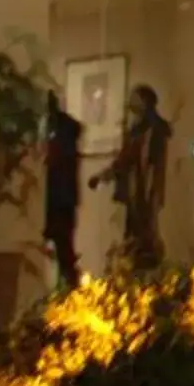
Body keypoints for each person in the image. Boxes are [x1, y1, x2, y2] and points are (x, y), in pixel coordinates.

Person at [92, 85, 174, 270]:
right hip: (135, 190)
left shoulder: (152, 131)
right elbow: (124, 160)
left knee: (145, 233)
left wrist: (151, 192)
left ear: (145, 102)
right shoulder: (137, 131)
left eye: (135, 98)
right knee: (135, 233)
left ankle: (147, 274)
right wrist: (104, 176)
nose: (130, 102)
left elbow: (148, 164)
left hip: (144, 190)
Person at [43, 92, 84, 290]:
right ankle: (66, 286)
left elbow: (55, 161)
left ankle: (68, 288)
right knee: (63, 246)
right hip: (60, 196)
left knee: (63, 245)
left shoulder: (61, 131)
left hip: (58, 196)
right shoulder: (64, 129)